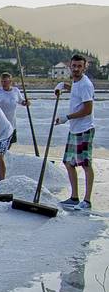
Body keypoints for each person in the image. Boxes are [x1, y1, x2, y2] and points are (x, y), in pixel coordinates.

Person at [54, 54, 95, 210]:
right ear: (70, 66)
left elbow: (87, 109)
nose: (76, 69)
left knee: (85, 164)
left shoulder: (85, 84)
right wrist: (64, 86)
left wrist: (66, 117)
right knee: (68, 162)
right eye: (74, 66)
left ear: (84, 67)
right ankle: (74, 197)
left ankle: (87, 201)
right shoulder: (77, 82)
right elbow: (76, 92)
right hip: (75, 129)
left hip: (84, 129)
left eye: (79, 66)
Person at [0, 72, 29, 179]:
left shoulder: (15, 91)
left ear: (10, 81)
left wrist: (26, 103)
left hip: (11, 127)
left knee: (2, 153)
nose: (3, 83)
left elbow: (21, 101)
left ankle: (2, 178)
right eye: (2, 81)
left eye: (5, 81)